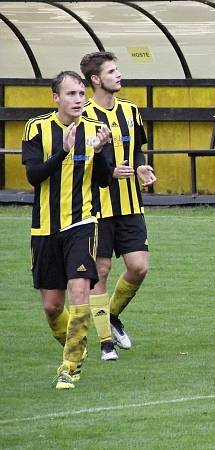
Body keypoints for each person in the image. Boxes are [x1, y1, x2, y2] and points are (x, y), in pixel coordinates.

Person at [22, 70, 112, 389]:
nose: (78, 99)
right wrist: (62, 150)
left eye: (81, 93)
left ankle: (69, 367)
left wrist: (100, 153)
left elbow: (103, 180)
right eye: (71, 94)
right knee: (51, 307)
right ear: (56, 98)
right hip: (45, 228)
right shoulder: (37, 128)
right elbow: (34, 176)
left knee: (79, 292)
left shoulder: (96, 131)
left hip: (82, 223)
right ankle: (77, 345)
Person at [80, 51, 155, 361]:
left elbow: (137, 151)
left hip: (129, 204)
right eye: (112, 72)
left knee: (139, 267)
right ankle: (105, 342)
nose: (118, 75)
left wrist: (140, 168)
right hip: (96, 207)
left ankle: (109, 315)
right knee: (101, 270)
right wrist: (108, 172)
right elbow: (77, 162)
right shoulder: (82, 115)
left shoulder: (130, 111)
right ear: (96, 79)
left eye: (117, 70)